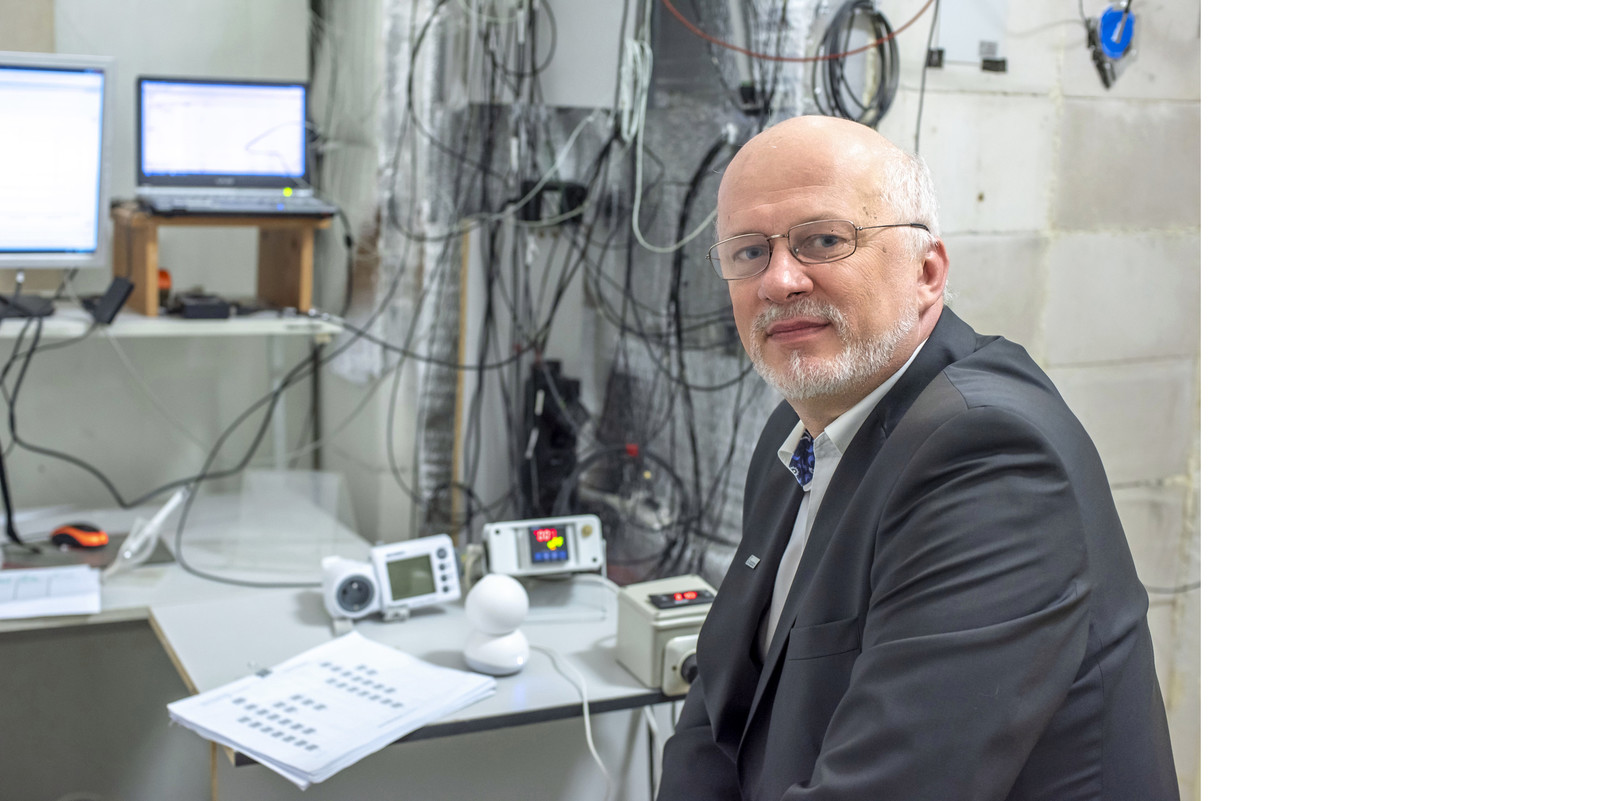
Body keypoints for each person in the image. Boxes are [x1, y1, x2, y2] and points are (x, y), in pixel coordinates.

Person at [657, 116, 1179, 801]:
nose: (779, 280)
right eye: (750, 251)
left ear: (926, 271)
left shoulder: (990, 457)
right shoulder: (798, 428)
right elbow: (718, 711)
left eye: (824, 240)